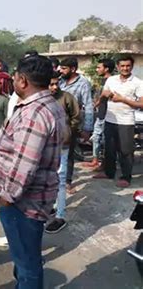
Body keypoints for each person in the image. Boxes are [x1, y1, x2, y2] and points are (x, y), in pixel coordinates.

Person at [0, 56, 65, 289]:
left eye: (14, 78)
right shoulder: (47, 104)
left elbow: (25, 164)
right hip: (29, 198)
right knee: (24, 259)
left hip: (23, 203)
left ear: (22, 80)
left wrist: (6, 196)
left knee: (27, 263)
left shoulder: (34, 113)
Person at [93, 55, 143, 188]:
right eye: (122, 66)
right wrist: (99, 101)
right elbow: (104, 93)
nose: (125, 68)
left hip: (126, 121)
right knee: (109, 148)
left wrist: (122, 99)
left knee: (125, 151)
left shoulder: (138, 83)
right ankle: (109, 172)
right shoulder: (111, 79)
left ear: (132, 66)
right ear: (117, 67)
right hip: (110, 119)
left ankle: (126, 177)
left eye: (128, 66)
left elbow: (141, 104)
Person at [46, 72, 80, 234]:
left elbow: (76, 116)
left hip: (62, 145)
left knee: (60, 180)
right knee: (47, 178)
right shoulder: (41, 99)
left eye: (56, 84)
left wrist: (67, 132)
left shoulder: (66, 97)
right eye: (50, 84)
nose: (54, 87)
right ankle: (51, 207)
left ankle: (60, 216)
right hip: (45, 145)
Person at [59, 57, 93, 193]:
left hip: (71, 124)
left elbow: (88, 105)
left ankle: (67, 181)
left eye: (64, 68)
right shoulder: (59, 82)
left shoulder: (83, 83)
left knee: (68, 154)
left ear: (73, 69)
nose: (61, 71)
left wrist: (87, 128)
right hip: (55, 123)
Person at [82, 58, 115, 170]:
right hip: (101, 113)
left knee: (104, 139)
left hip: (107, 114)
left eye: (99, 67)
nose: (97, 70)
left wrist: (96, 103)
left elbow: (106, 97)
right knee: (96, 138)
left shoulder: (111, 81)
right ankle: (96, 160)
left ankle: (104, 164)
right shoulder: (102, 81)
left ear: (106, 69)